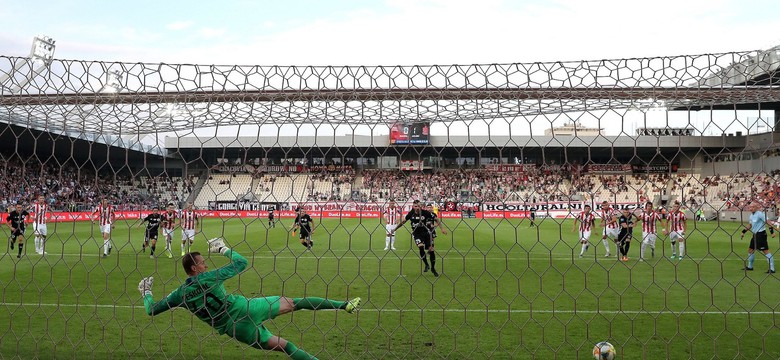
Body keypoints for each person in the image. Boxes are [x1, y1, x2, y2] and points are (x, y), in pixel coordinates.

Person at [139, 238, 361, 359]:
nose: (207, 264)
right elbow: (242, 263)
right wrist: (224, 248)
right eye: (203, 262)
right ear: (195, 268)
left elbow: (152, 310)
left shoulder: (180, 294)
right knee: (296, 303)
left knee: (287, 347)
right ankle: (344, 306)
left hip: (236, 330)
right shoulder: (209, 278)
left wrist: (146, 293)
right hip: (247, 308)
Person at [394, 200, 439, 276]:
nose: (417, 208)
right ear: (413, 207)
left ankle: (433, 268)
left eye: (418, 206)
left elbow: (436, 218)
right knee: (421, 247)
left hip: (426, 233)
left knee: (431, 250)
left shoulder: (425, 212)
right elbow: (403, 222)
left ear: (420, 206)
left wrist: (441, 228)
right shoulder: (411, 213)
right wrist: (395, 229)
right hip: (417, 234)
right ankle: (426, 264)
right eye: (415, 206)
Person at [740, 202, 775, 274]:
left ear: (757, 207)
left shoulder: (760, 214)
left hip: (761, 235)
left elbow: (768, 221)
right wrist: (743, 232)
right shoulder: (751, 216)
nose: (750, 208)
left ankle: (772, 269)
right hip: (755, 235)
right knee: (750, 250)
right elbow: (750, 225)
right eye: (750, 207)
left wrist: (772, 232)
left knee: (765, 251)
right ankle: (750, 267)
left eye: (752, 207)